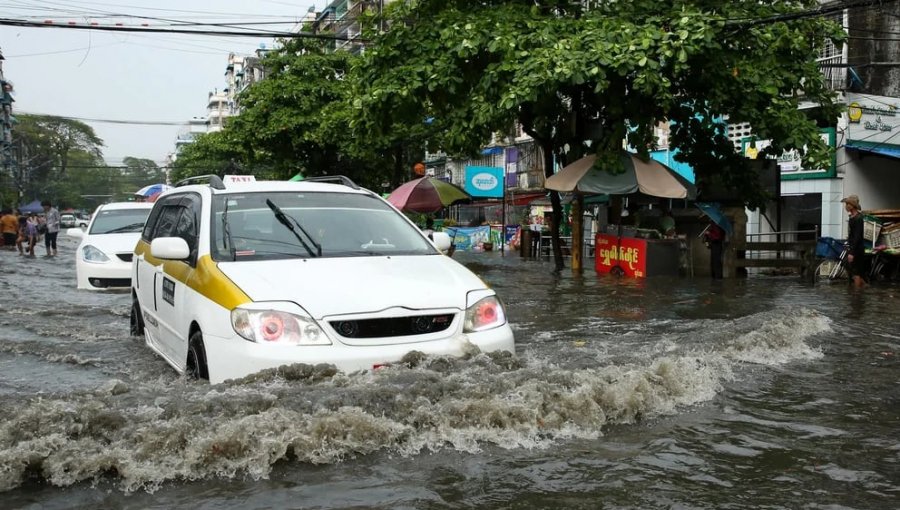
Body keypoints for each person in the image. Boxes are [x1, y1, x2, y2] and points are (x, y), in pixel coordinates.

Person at [842, 194, 868, 288]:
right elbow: (851, 235)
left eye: (848, 204)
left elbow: (857, 236)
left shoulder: (858, 218)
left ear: (852, 206)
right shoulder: (852, 217)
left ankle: (857, 295)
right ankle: (865, 289)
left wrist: (852, 252)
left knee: (856, 273)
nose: (846, 206)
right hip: (854, 246)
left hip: (857, 249)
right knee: (854, 271)